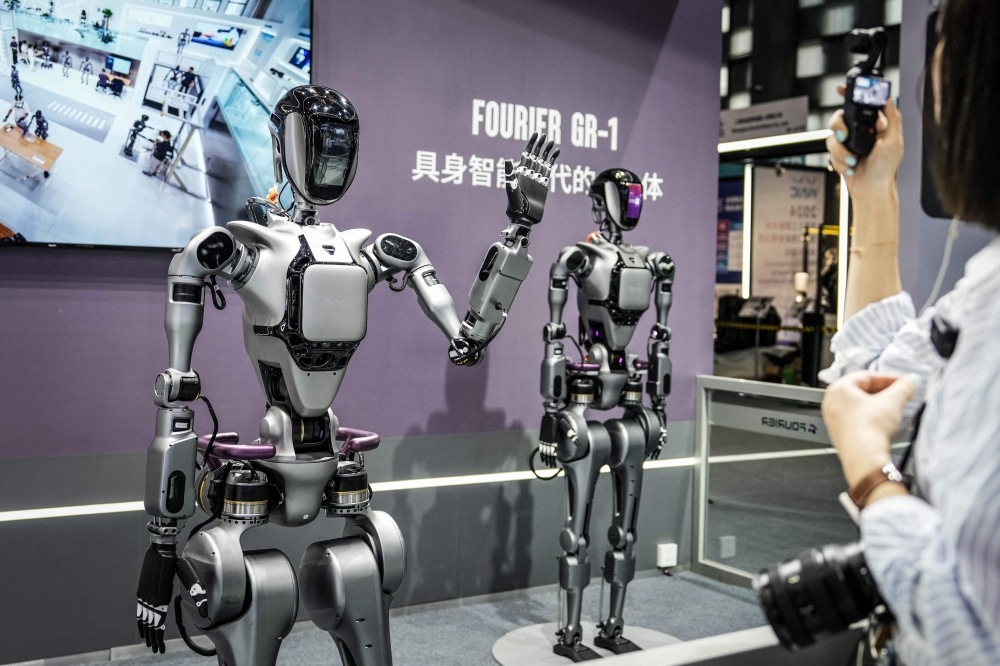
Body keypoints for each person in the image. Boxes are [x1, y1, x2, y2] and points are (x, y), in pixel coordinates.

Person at [820, 1, 1000, 664]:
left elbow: (969, 635)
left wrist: (873, 477)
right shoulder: (986, 284)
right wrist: (873, 195)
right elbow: (876, 371)